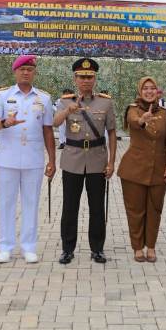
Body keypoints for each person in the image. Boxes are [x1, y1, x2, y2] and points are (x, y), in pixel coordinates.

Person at [0, 55, 56, 263]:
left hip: (33, 159)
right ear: (15, 72)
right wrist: (5, 123)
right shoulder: (2, 95)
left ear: (34, 73)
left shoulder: (43, 98)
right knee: (7, 203)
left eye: (30, 69)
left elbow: (48, 131)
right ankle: (6, 246)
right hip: (8, 158)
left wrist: (52, 159)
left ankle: (29, 246)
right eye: (22, 69)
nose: (26, 72)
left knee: (31, 203)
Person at [52, 58, 116, 264]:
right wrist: (67, 111)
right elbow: (54, 123)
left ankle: (97, 248)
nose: (86, 81)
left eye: (90, 77)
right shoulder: (65, 101)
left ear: (95, 79)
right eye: (82, 77)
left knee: (97, 207)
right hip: (72, 160)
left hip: (97, 160)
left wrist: (112, 162)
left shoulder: (105, 102)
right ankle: (67, 249)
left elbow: (112, 133)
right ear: (75, 78)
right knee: (70, 207)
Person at [117, 76, 166, 263]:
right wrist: (143, 119)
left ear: (157, 91)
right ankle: (137, 248)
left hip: (158, 171)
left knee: (154, 210)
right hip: (134, 171)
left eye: (152, 88)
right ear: (140, 91)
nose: (149, 91)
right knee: (136, 211)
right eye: (145, 88)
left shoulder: (164, 114)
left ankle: (151, 246)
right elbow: (134, 122)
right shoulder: (132, 109)